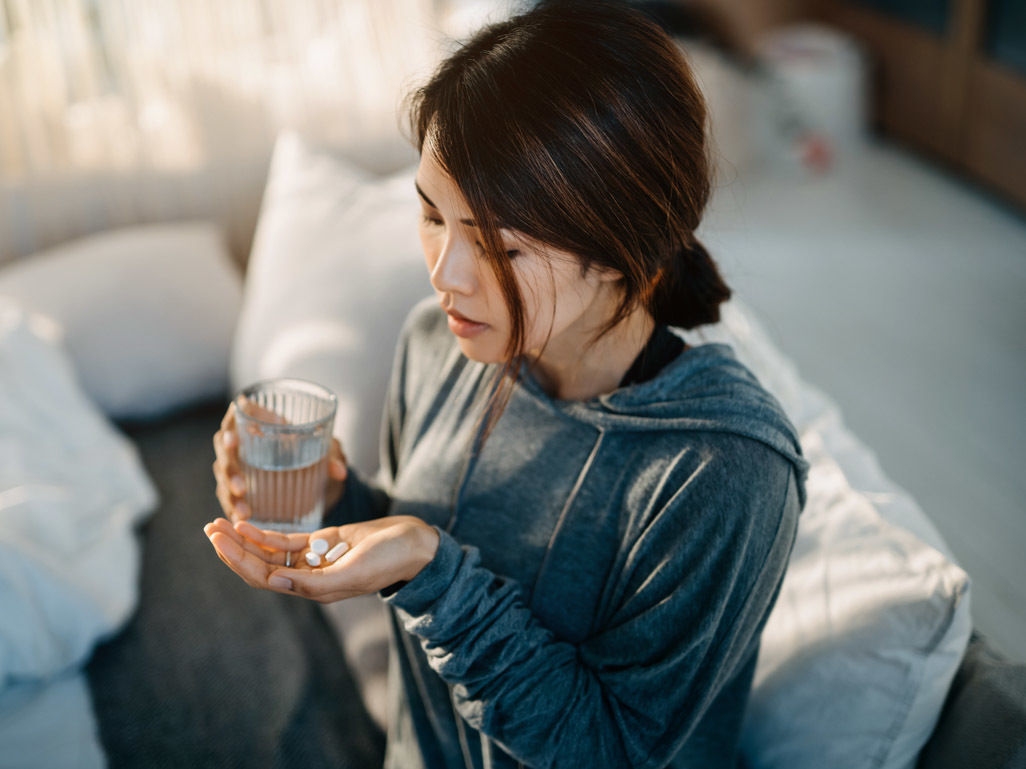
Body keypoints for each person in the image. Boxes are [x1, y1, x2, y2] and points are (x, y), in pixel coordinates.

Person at [206, 2, 809, 767]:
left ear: (626, 248)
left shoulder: (726, 471)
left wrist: (433, 571)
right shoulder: (438, 344)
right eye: (432, 216)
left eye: (499, 246)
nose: (443, 274)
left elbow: (614, 748)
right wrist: (337, 501)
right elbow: (420, 535)